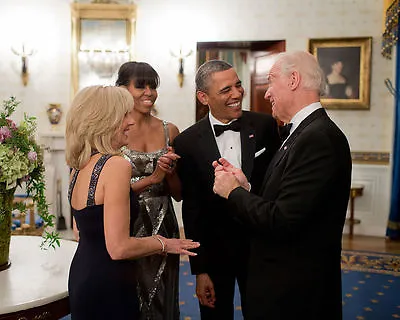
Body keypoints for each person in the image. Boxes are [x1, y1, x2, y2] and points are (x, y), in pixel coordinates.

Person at [212, 51, 352, 320]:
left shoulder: (318, 138)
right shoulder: (302, 132)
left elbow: (282, 221)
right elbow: (288, 203)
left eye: (272, 81)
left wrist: (233, 192)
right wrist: (247, 188)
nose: (266, 94)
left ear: (294, 80)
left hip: (296, 293)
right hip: (283, 285)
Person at [66, 85, 199, 320]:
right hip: (109, 281)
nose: (131, 122)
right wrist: (163, 243)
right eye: (124, 115)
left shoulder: (81, 163)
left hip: (83, 273)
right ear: (105, 120)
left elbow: (88, 219)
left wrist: (153, 179)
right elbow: (119, 248)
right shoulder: (116, 165)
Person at [173, 60, 281, 319]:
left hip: (260, 251)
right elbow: (193, 209)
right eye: (225, 90)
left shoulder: (266, 126)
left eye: (238, 85)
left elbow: (277, 187)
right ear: (203, 97)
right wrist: (200, 270)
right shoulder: (186, 142)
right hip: (214, 255)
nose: (237, 94)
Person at [115, 61, 182, 320]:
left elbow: (178, 193)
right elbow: (105, 190)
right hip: (125, 222)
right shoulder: (112, 132)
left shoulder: (170, 130)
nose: (149, 92)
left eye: (153, 86)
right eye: (140, 85)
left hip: (163, 223)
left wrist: (171, 173)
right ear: (122, 89)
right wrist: (153, 176)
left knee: (162, 296)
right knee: (127, 294)